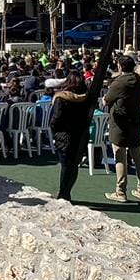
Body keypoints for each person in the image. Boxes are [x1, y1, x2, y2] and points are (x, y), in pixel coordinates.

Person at [102, 56, 140, 203]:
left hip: (120, 124)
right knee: (138, 157)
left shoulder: (119, 83)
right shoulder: (139, 80)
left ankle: (120, 191)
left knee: (120, 157)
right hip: (135, 122)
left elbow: (106, 100)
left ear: (120, 67)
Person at [48, 71, 93, 201]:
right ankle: (66, 191)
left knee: (66, 165)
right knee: (73, 166)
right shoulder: (87, 97)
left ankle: (63, 193)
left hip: (64, 134)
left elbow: (56, 118)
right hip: (80, 134)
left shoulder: (62, 98)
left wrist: (54, 130)